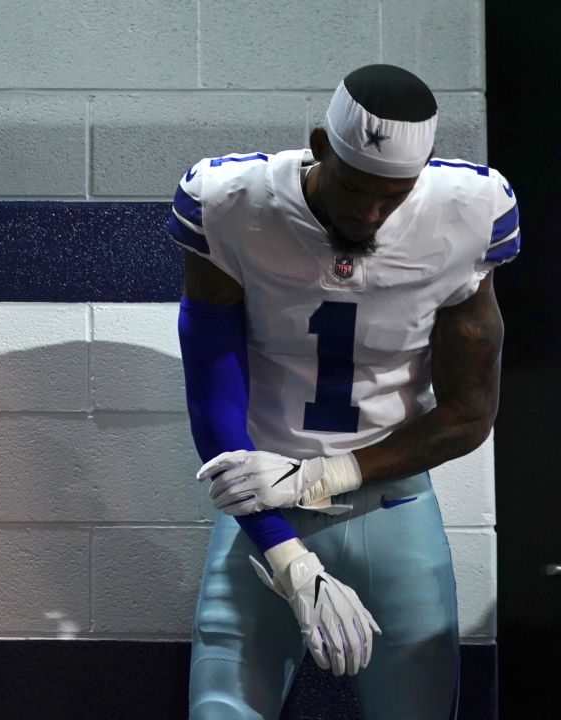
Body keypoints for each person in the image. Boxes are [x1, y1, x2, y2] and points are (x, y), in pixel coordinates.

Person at [170, 64, 517, 719]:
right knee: (220, 711)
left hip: (390, 506)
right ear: (319, 146)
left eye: (393, 196)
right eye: (356, 189)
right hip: (262, 507)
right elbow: (212, 396)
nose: (370, 214)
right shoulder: (232, 201)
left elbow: (471, 413)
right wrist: (286, 559)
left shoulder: (467, 212)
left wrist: (317, 478)